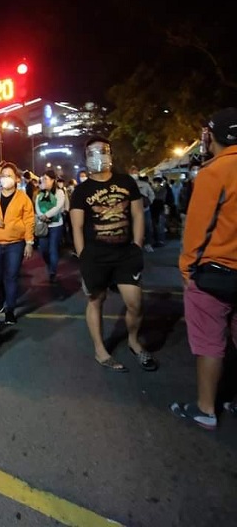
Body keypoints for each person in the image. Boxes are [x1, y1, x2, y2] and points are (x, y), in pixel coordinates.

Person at [171, 108, 237, 430]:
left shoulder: (215, 172)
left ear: (213, 135)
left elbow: (198, 228)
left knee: (210, 342)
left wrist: (187, 269)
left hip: (215, 272)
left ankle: (205, 409)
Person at [70, 136, 157, 373]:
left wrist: (137, 244)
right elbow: (76, 226)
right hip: (95, 256)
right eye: (92, 152)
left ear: (110, 154)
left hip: (126, 254)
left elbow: (138, 214)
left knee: (135, 303)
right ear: (86, 158)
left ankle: (133, 341)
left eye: (102, 150)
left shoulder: (126, 182)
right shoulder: (81, 190)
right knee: (96, 300)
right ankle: (100, 349)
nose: (98, 155)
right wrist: (82, 254)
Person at [0, 162, 35, 325]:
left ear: (17, 179)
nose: (5, 178)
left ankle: (10, 309)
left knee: (11, 276)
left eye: (9, 175)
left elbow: (29, 220)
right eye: (3, 175)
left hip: (15, 244)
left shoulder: (23, 198)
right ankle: (1, 295)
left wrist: (29, 242)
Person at [34, 170, 66, 283]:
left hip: (56, 225)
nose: (43, 181)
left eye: (46, 179)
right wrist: (41, 216)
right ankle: (49, 264)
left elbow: (58, 207)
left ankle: (53, 271)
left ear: (53, 180)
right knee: (43, 250)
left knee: (53, 249)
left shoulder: (59, 192)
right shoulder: (40, 194)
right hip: (43, 226)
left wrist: (47, 215)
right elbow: (37, 205)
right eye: (42, 179)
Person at [177, 159, 200, 233]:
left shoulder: (205, 184)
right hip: (187, 213)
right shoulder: (185, 186)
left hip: (200, 214)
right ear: (190, 172)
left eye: (198, 169)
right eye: (193, 169)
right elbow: (181, 199)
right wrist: (182, 212)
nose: (195, 172)